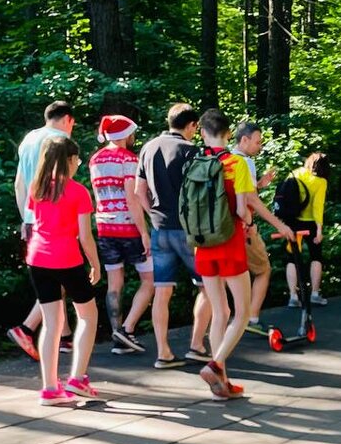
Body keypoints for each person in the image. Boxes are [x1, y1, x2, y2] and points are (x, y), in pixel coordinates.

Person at [25, 135, 102, 402]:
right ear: (69, 160)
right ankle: (77, 379)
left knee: (51, 323)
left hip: (37, 259)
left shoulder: (36, 187)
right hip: (67, 259)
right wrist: (95, 263)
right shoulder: (78, 191)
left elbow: (36, 221)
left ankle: (49, 388)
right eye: (76, 160)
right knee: (88, 316)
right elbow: (85, 235)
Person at [135, 103, 211, 369]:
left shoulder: (148, 147)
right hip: (189, 231)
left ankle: (163, 352)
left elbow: (139, 191)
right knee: (208, 287)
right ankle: (197, 345)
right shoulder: (191, 151)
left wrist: (153, 215)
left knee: (162, 292)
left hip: (160, 230)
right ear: (191, 126)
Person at [190, 109, 256, 401]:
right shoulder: (236, 163)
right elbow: (242, 210)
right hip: (230, 242)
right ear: (229, 133)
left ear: (203, 132)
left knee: (220, 312)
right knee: (242, 312)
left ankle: (222, 384)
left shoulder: (196, 162)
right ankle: (215, 365)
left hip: (203, 244)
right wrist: (251, 224)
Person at [6, 100, 76, 361]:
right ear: (67, 119)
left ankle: (65, 337)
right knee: (60, 277)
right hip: (54, 218)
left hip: (32, 218)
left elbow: (19, 183)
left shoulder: (29, 139)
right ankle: (26, 328)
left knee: (50, 276)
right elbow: (64, 185)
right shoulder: (59, 141)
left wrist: (26, 217)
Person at [88, 115, 153, 353]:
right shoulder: (128, 159)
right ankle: (127, 328)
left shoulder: (95, 159)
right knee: (150, 280)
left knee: (114, 284)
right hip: (128, 228)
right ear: (126, 135)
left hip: (105, 227)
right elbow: (133, 198)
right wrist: (144, 232)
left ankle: (118, 337)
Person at [230, 121, 293, 330]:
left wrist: (259, 184)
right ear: (244, 140)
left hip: (223, 228)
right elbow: (251, 200)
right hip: (245, 227)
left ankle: (220, 324)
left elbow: (241, 191)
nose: (260, 146)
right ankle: (251, 318)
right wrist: (279, 225)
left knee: (223, 277)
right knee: (263, 269)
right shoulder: (245, 162)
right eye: (258, 142)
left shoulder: (224, 158)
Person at [284, 152, 329, 306]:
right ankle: (315, 293)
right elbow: (318, 207)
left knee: (292, 257)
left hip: (292, 222)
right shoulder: (320, 182)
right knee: (316, 256)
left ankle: (293, 296)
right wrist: (319, 230)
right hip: (310, 224)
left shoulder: (296, 173)